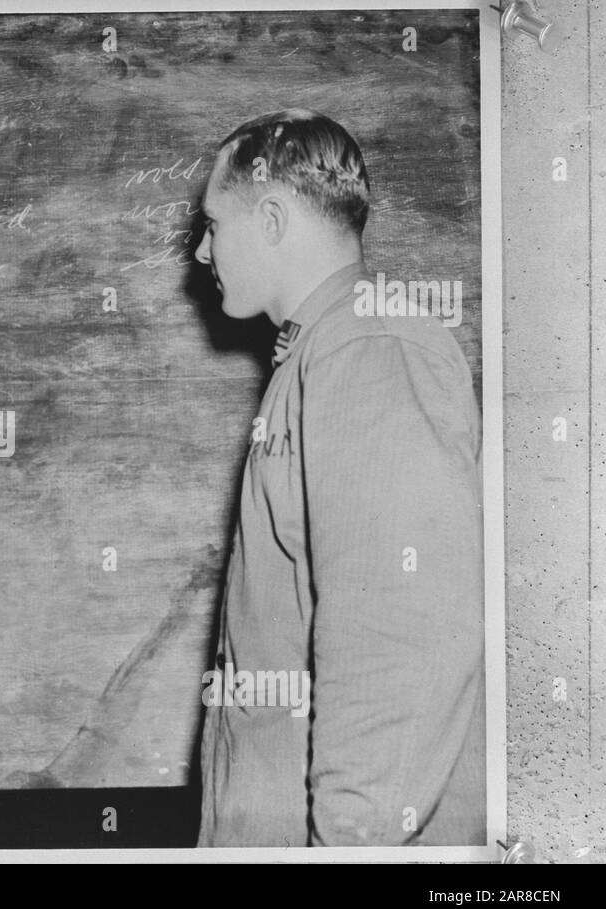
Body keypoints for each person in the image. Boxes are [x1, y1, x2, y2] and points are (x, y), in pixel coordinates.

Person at [194, 110, 485, 847]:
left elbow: (395, 639)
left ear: (269, 217)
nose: (201, 251)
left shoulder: (367, 349)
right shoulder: (325, 350)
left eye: (212, 225)